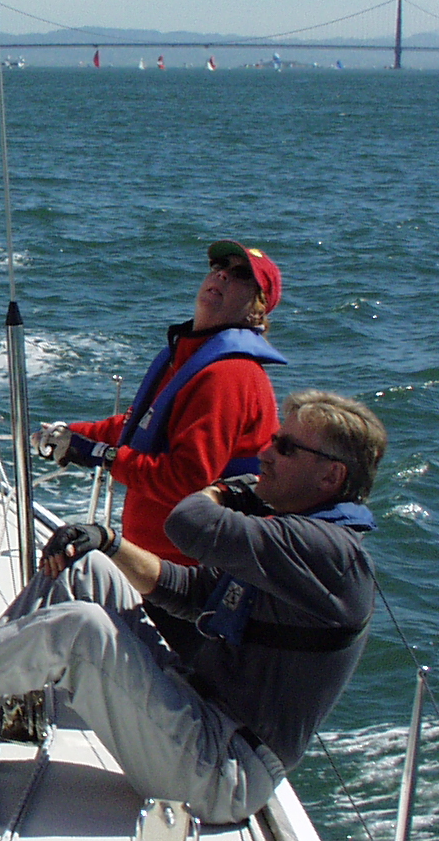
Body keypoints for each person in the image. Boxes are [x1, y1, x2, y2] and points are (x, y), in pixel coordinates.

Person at [0, 390, 384, 825]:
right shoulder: (299, 538)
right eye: (274, 440)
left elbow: (189, 522)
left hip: (222, 768)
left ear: (331, 475)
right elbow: (192, 593)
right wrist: (107, 542)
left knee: (82, 630)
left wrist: (228, 489)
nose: (266, 453)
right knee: (86, 569)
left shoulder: (328, 554)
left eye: (286, 448)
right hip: (196, 712)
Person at [33, 241, 286, 651]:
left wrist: (99, 456)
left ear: (257, 309)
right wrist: (72, 434)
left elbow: (187, 480)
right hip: (152, 567)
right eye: (219, 265)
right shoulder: (191, 358)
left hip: (185, 586)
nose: (222, 274)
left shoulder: (229, 375)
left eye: (240, 275)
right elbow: (139, 426)